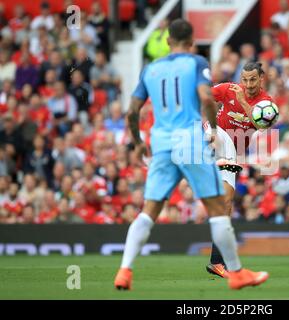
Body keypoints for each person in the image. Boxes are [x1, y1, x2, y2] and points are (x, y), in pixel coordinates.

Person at [113, 19, 269, 291]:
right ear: (192, 41)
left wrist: (138, 142)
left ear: (167, 41)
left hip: (161, 142)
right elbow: (207, 98)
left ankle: (124, 270)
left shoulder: (150, 68)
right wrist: (213, 128)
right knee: (218, 208)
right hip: (190, 138)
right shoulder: (196, 63)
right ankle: (236, 272)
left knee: (149, 210)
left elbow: (131, 111)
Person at [204, 61, 275, 278]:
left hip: (234, 153)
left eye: (253, 79)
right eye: (244, 79)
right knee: (218, 137)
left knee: (226, 204)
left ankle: (217, 261)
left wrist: (243, 101)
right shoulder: (227, 89)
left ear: (261, 78)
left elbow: (263, 126)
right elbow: (203, 97)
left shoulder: (266, 103)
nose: (248, 84)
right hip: (218, 136)